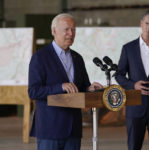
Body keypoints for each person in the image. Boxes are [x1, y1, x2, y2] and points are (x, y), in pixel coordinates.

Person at [28, 13, 103, 150]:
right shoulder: (40, 57)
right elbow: (33, 92)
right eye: (67, 29)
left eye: (73, 30)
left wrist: (90, 89)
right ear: (54, 31)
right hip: (50, 129)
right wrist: (60, 87)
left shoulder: (77, 58)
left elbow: (82, 86)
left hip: (73, 129)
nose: (71, 33)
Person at [115, 10, 149, 150]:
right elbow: (118, 75)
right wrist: (133, 85)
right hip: (135, 108)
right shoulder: (128, 48)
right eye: (147, 23)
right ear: (141, 24)